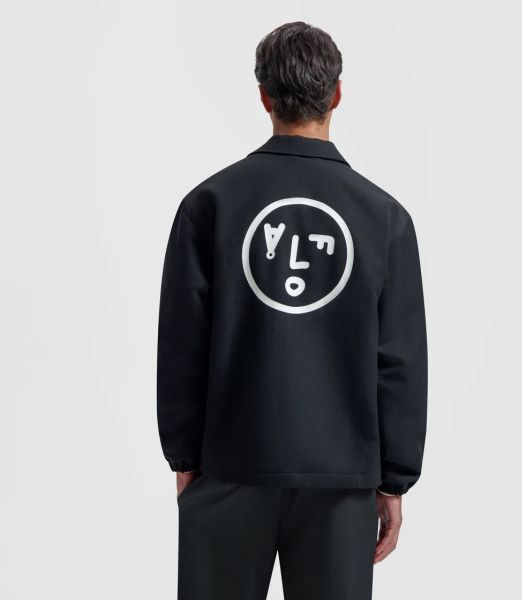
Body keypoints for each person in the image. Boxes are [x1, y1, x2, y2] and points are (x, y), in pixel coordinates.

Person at [157, 21, 428, 600]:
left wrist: (184, 457)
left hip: (229, 465)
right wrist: (393, 479)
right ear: (336, 94)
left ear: (263, 97)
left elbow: (182, 345)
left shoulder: (210, 205)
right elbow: (400, 360)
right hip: (343, 477)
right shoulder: (384, 218)